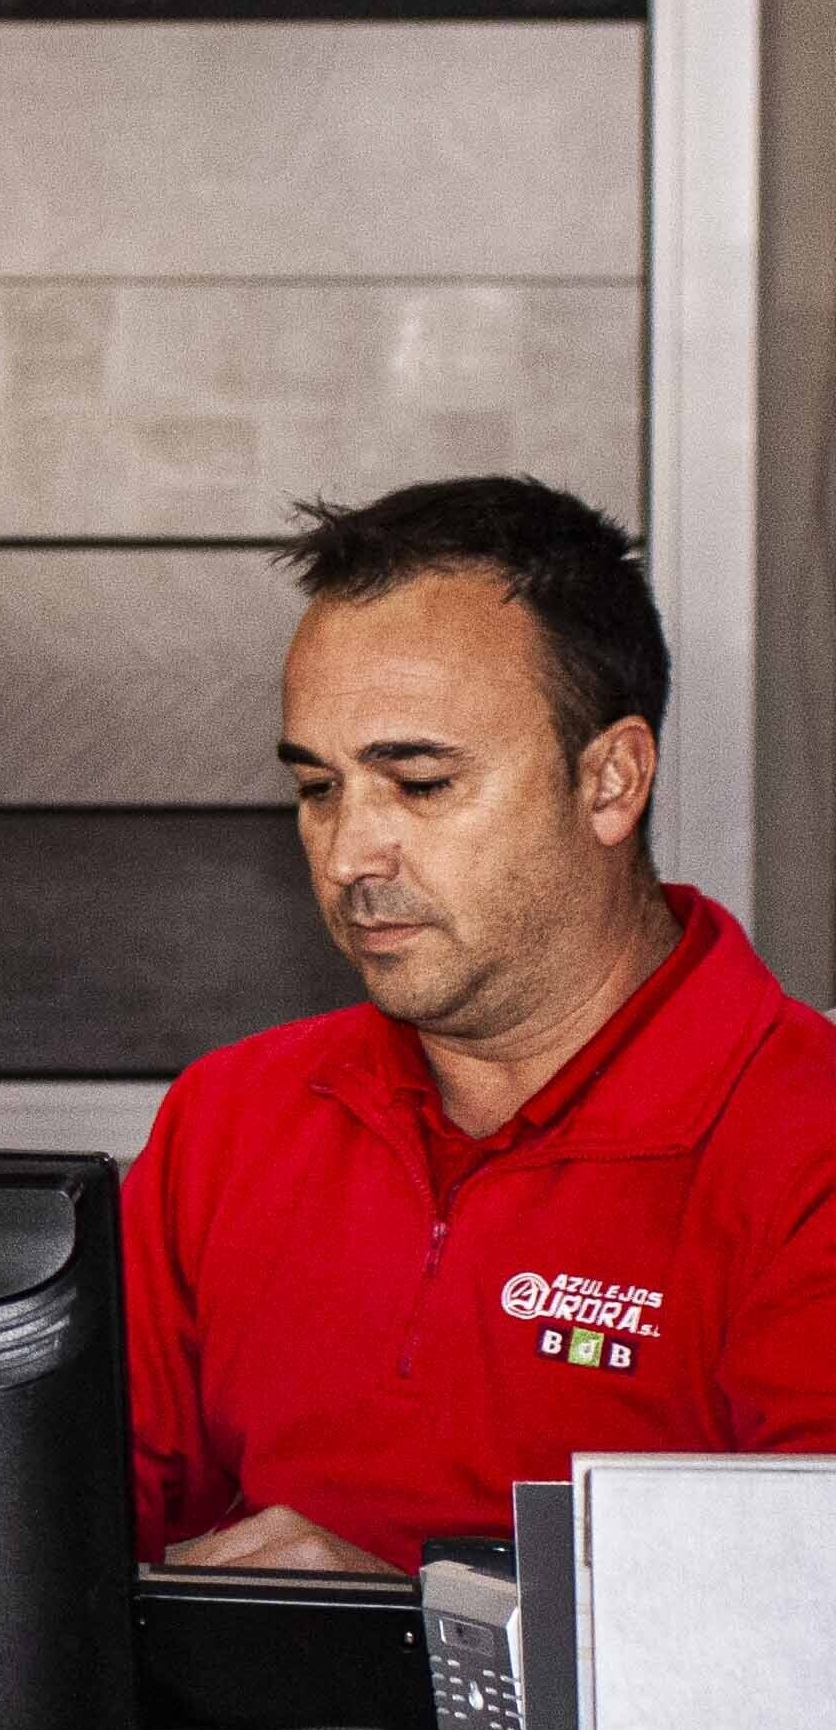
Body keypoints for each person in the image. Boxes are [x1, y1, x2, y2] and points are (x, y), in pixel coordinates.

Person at [126, 476, 836, 1573]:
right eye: (319, 789)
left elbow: (798, 1630)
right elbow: (61, 1528)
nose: (349, 855)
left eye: (419, 784)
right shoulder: (229, 1119)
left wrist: (418, 1631)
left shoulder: (805, 1143)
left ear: (611, 781)